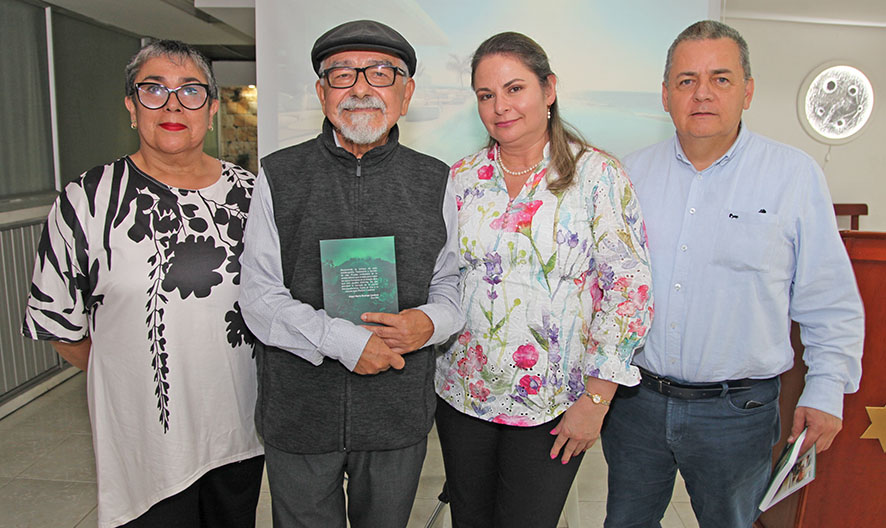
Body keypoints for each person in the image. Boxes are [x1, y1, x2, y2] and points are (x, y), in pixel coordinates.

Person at [601, 20, 864, 528]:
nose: (702, 93)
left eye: (720, 78)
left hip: (737, 414)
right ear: (664, 94)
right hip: (636, 405)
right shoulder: (627, 176)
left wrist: (827, 390)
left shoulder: (793, 175)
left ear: (747, 91)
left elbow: (827, 298)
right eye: (685, 80)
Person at [21, 40, 263, 527]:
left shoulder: (252, 194)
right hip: (145, 442)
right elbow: (57, 322)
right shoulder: (88, 200)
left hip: (238, 429)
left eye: (190, 91)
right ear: (132, 107)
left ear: (212, 109)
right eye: (153, 89)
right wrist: (123, 376)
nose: (172, 104)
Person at [238, 20, 463, 528]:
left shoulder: (435, 179)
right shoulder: (278, 174)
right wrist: (344, 341)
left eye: (381, 73)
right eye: (342, 74)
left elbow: (451, 281)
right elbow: (258, 295)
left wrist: (429, 322)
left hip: (395, 412)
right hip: (299, 410)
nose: (361, 87)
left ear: (405, 95)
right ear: (322, 94)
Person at [433, 32, 653, 527]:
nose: (500, 107)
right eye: (486, 95)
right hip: (462, 397)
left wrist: (596, 401)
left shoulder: (597, 176)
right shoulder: (460, 179)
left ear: (548, 89)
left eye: (515, 89)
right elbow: (442, 276)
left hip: (553, 405)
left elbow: (629, 292)